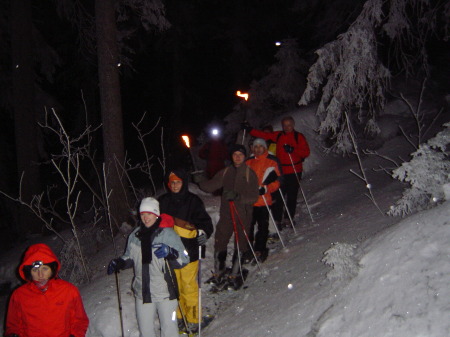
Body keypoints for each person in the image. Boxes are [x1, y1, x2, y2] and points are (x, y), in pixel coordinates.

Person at [107, 197, 189, 337]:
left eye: (149, 214)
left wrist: (171, 252)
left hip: (165, 292)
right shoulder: (135, 235)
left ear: (156, 214)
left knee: (169, 330)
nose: (145, 218)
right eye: (143, 214)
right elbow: (129, 257)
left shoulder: (168, 234)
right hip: (142, 291)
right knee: (145, 332)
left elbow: (184, 259)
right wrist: (119, 262)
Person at [158, 168, 213, 333]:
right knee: (175, 287)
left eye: (178, 182)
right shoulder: (163, 201)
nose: (175, 185)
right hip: (170, 253)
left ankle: (194, 320)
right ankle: (180, 318)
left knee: (188, 286)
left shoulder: (193, 201)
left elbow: (205, 222)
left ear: (184, 183)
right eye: (172, 182)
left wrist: (204, 233)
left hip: (189, 251)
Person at [198, 144, 259, 290]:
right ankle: (219, 271)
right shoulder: (225, 172)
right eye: (235, 154)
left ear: (244, 157)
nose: (237, 157)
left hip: (243, 214)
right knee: (221, 240)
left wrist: (238, 196)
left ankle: (236, 271)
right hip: (226, 213)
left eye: (240, 154)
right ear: (231, 157)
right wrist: (200, 180)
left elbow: (254, 197)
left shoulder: (250, 173)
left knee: (241, 242)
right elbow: (210, 186)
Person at [5, 243, 89, 337]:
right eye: (35, 270)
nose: (40, 275)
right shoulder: (19, 295)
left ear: (52, 269)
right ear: (29, 272)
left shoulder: (68, 290)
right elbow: (13, 325)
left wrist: (75, 335)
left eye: (44, 269)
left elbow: (80, 321)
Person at [243, 116, 310, 228]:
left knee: (292, 195)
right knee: (279, 195)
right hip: (282, 170)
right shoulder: (279, 135)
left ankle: (289, 218)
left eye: (289, 125)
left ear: (293, 125)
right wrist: (250, 130)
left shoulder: (298, 137)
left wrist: (293, 150)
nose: (287, 127)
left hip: (294, 170)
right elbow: (265, 135)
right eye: (284, 125)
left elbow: (306, 153)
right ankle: (277, 219)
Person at [245, 138, 281, 264]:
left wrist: (266, 188)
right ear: (252, 148)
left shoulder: (271, 161)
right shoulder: (248, 162)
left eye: (261, 146)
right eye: (256, 146)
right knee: (248, 226)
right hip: (249, 200)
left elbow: (277, 181)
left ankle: (260, 248)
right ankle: (248, 249)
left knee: (262, 226)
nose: (258, 149)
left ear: (265, 148)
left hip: (264, 200)